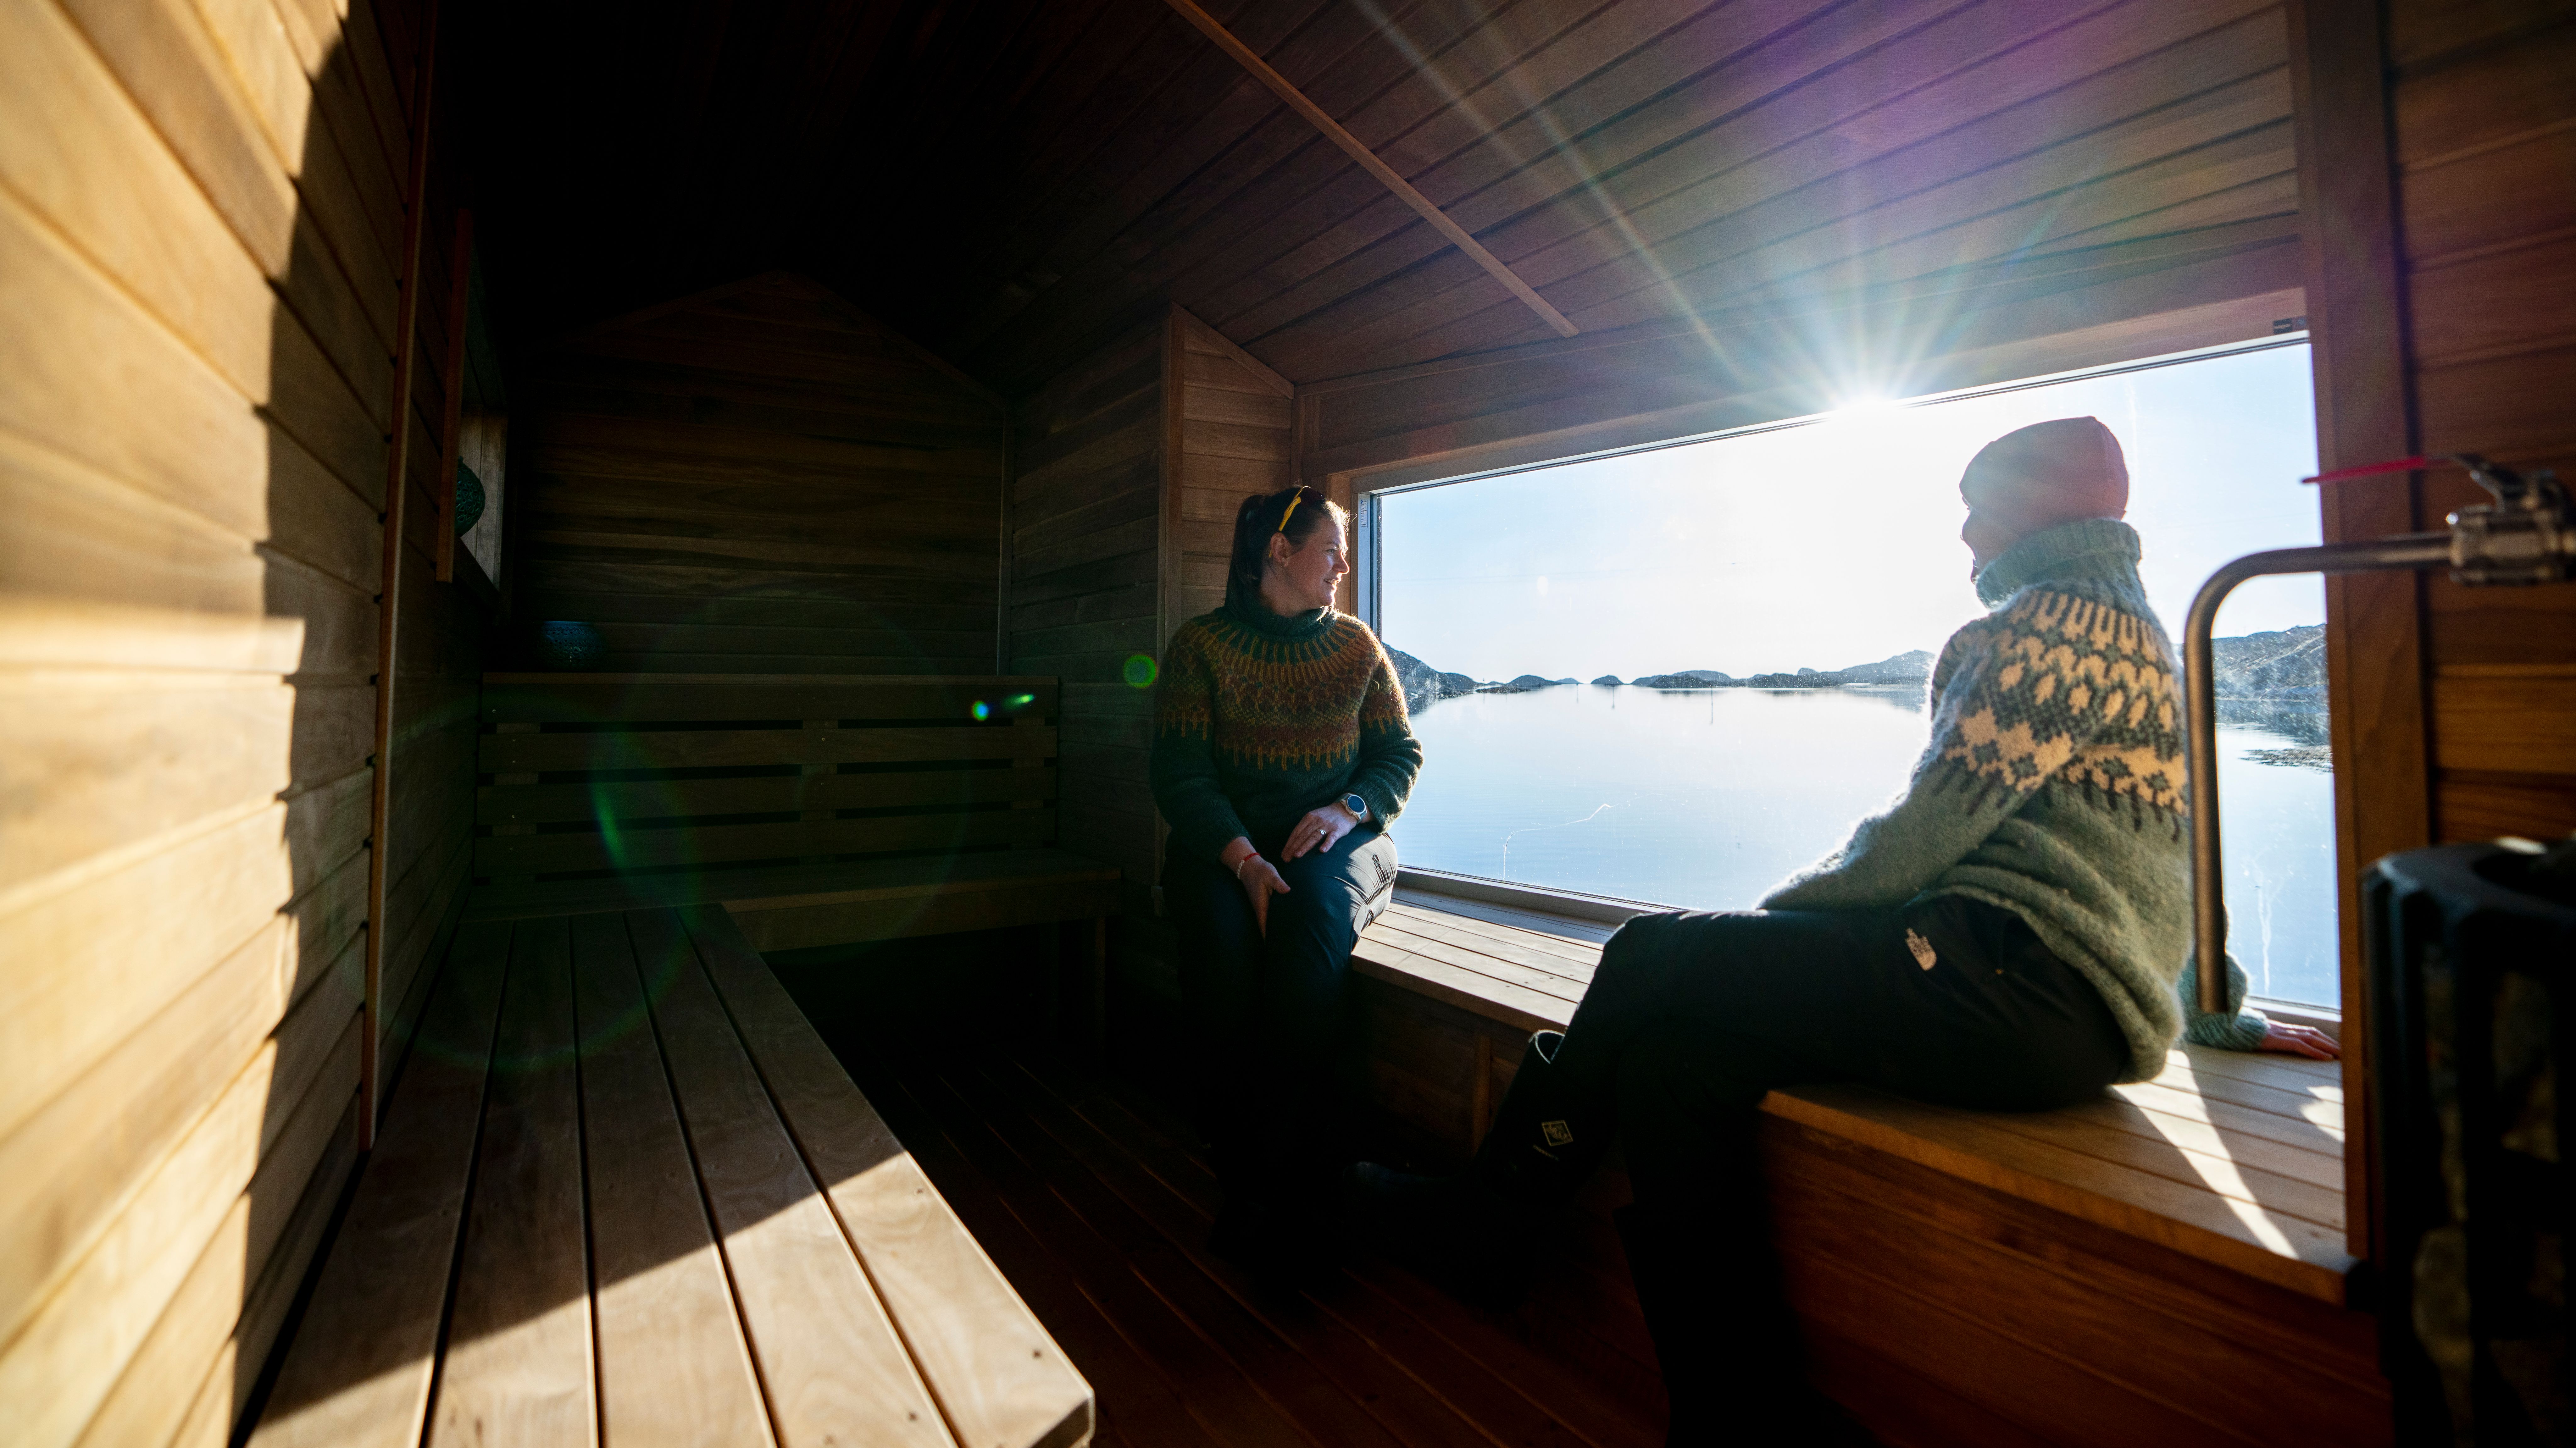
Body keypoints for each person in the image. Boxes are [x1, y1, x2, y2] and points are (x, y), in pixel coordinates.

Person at [1343, 417, 2336, 1445]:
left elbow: (1918, 839)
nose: (1965, 537)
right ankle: (1734, 1412)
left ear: (2034, 508)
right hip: (2061, 1021)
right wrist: (2216, 1005)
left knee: (1649, 953)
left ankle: (1489, 1218)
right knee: (1677, 1061)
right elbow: (2165, 861)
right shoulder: (2146, 640)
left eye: (1978, 510)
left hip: (1997, 976)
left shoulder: (2039, 627)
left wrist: (1756, 934)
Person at [1152, 483, 1424, 1277]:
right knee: (1223, 950)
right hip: (1224, 845)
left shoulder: (1357, 647)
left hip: (1338, 840)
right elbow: (1180, 773)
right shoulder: (1201, 647)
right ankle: (1240, 1171)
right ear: (1279, 550)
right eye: (1331, 549)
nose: (1343, 565)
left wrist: (1350, 807)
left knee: (1308, 936)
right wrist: (1241, 859)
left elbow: (1399, 754)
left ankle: (1292, 1177)